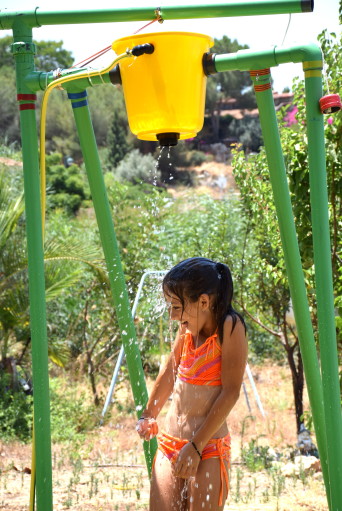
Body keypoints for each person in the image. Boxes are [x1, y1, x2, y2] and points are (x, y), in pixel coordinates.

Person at [136, 257, 248, 511]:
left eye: (176, 306)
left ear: (204, 302)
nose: (172, 315)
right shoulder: (187, 328)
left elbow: (231, 393)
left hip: (208, 446)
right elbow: (170, 371)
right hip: (169, 443)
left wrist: (196, 446)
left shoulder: (230, 327)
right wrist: (149, 413)